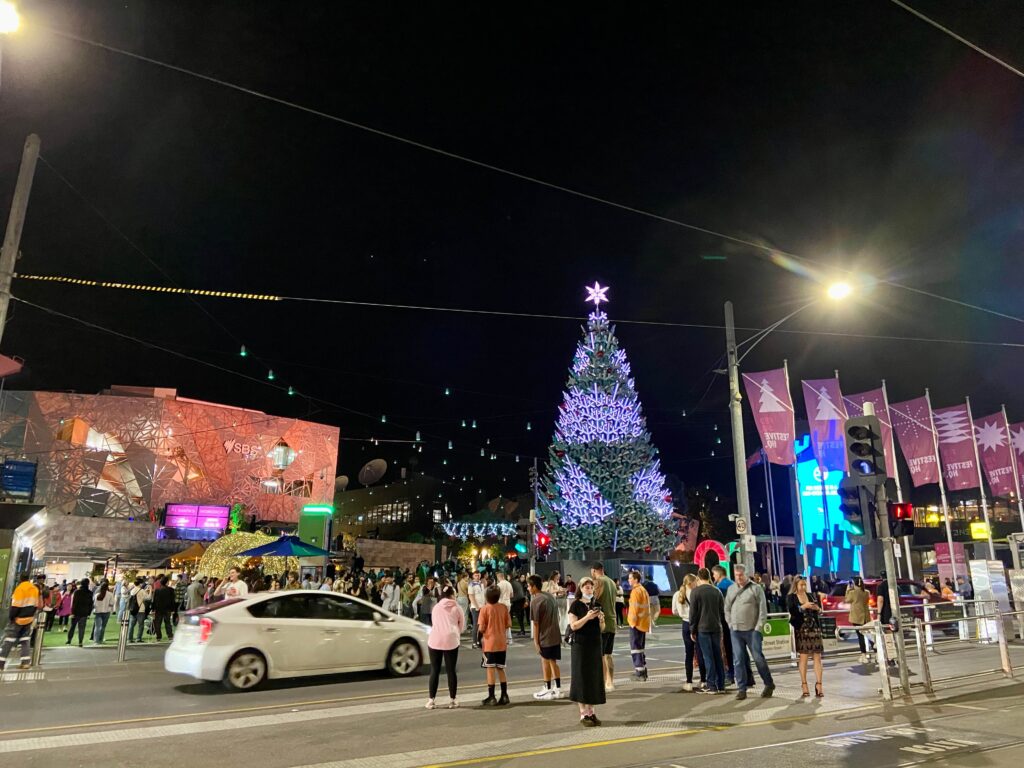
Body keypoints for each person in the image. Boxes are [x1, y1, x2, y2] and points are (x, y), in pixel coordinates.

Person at [724, 564, 774, 700]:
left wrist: (758, 627)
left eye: (741, 575)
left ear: (746, 574)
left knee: (758, 658)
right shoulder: (731, 589)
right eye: (736, 575)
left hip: (752, 630)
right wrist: (730, 623)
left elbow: (763, 610)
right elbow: (726, 608)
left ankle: (769, 683)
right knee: (738, 660)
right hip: (735, 630)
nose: (739, 578)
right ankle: (742, 689)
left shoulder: (755, 589)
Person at [568, 577, 606, 726]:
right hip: (581, 645)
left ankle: (592, 711)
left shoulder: (597, 605)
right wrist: (587, 617)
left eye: (591, 587)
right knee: (581, 677)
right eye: (586, 587)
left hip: (595, 645)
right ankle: (583, 714)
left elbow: (602, 629)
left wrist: (601, 620)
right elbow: (574, 626)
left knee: (594, 678)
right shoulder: (576, 605)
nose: (589, 589)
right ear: (580, 588)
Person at [426, 585, 464, 709]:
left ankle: (431, 700)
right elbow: (462, 625)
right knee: (451, 671)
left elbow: (434, 622)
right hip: (451, 640)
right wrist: (455, 631)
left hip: (435, 640)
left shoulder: (436, 607)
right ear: (452, 595)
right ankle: (452, 699)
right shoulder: (457, 608)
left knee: (434, 670)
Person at [688, 568, 726, 694]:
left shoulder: (696, 592)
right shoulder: (717, 591)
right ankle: (721, 684)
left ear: (698, 578)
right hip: (716, 627)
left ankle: (711, 685)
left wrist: (692, 629)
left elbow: (693, 613)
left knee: (708, 656)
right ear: (709, 576)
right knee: (718, 656)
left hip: (702, 628)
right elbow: (722, 611)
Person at [528, 574, 564, 699]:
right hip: (555, 634)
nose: (528, 588)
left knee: (545, 661)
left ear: (533, 587)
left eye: (528, 586)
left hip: (545, 636)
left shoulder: (535, 601)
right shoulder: (550, 596)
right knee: (553, 661)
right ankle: (558, 688)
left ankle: (547, 688)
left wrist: (536, 642)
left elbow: (536, 624)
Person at [788, 576, 824, 698]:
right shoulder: (791, 597)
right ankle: (804, 684)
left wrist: (816, 608)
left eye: (804, 585)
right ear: (796, 586)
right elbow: (792, 611)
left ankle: (819, 684)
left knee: (817, 657)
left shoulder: (811, 595)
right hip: (802, 629)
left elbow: (819, 611)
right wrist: (804, 607)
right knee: (803, 657)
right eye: (801, 585)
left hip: (814, 628)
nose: (803, 587)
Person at [477, 585, 511, 706]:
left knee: (490, 668)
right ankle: (504, 695)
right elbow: (508, 624)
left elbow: (481, 627)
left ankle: (491, 696)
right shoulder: (503, 607)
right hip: (501, 642)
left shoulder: (485, 609)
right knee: (501, 668)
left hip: (489, 643)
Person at [0, 573, 40, 670]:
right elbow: (36, 605)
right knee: (25, 640)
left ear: (20, 578)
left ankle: (1, 663)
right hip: (29, 619)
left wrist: (12, 617)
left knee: (8, 640)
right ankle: (25, 662)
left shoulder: (20, 588)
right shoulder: (34, 589)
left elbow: (16, 606)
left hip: (18, 619)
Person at [672, 573, 705, 692]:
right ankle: (703, 680)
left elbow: (674, 611)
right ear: (691, 583)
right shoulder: (697, 593)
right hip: (698, 623)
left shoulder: (677, 594)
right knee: (700, 652)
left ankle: (689, 681)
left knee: (689, 654)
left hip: (686, 624)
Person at [590, 562, 619, 691]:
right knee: (608, 654)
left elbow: (593, 599)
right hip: (612, 621)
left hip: (602, 622)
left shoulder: (598, 582)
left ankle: (600, 683)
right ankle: (610, 682)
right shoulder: (612, 582)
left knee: (599, 655)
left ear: (593, 571)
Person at [711, 565, 738, 685]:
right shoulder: (732, 584)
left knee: (727, 649)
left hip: (724, 620)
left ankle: (729, 674)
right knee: (738, 649)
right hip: (735, 619)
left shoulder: (720, 587)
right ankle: (746, 676)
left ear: (719, 574)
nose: (713, 576)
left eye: (714, 574)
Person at [626, 570, 650, 681]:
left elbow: (634, 609)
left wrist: (632, 623)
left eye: (630, 578)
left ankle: (639, 673)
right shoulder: (643, 590)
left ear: (636, 579)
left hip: (636, 624)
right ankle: (643, 670)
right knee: (640, 648)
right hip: (643, 623)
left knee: (635, 649)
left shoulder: (635, 592)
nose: (628, 580)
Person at [845, 576, 873, 663]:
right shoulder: (866, 592)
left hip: (857, 617)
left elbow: (847, 600)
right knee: (869, 635)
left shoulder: (853, 593)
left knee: (860, 636)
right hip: (865, 617)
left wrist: (848, 590)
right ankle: (876, 649)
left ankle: (863, 655)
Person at [66, 578, 94, 647]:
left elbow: (74, 603)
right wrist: (89, 613)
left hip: (76, 612)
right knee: (82, 628)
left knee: (72, 627)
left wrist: (72, 612)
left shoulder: (77, 592)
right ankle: (80, 642)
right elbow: (91, 604)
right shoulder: (90, 592)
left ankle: (69, 640)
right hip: (84, 613)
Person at [152, 576, 177, 641]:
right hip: (167, 609)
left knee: (158, 623)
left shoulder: (157, 590)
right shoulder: (171, 590)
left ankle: (158, 636)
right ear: (167, 582)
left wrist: (153, 609)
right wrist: (173, 609)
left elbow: (154, 600)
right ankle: (170, 635)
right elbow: (172, 600)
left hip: (159, 609)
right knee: (168, 623)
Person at [127, 578, 148, 643]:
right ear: (140, 584)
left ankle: (129, 638)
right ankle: (138, 638)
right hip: (140, 609)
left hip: (133, 609)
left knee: (131, 625)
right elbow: (148, 598)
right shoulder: (141, 590)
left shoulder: (132, 590)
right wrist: (148, 591)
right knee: (141, 625)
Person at [467, 572, 485, 646]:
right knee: (476, 625)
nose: (477, 576)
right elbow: (471, 596)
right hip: (476, 607)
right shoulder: (471, 585)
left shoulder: (481, 584)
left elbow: (483, 595)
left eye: (478, 575)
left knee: (482, 625)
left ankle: (479, 641)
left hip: (482, 606)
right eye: (476, 575)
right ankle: (474, 642)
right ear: (473, 576)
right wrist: (476, 606)